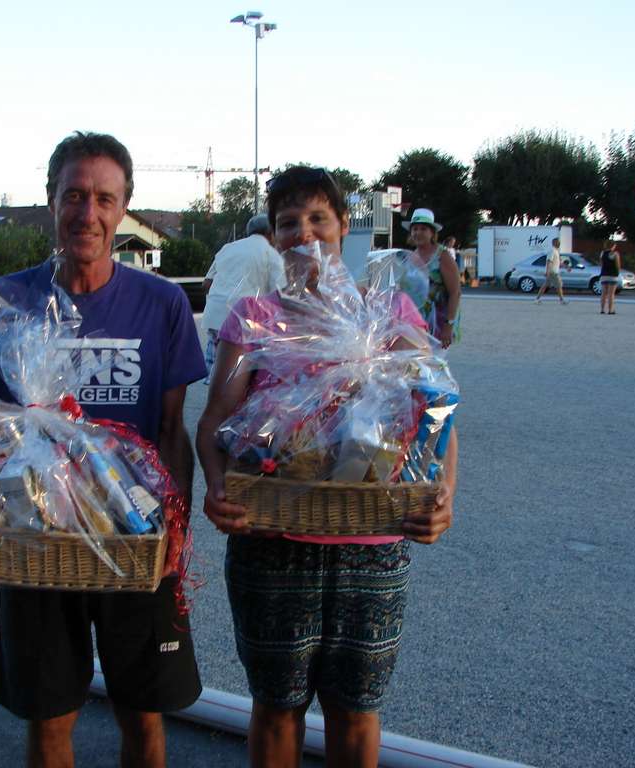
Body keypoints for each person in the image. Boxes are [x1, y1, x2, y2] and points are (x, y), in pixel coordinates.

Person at [0, 131, 205, 768]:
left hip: (133, 537)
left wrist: (175, 529)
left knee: (143, 720)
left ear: (124, 209)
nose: (86, 213)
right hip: (36, 544)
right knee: (49, 725)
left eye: (103, 198)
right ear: (50, 200)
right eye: (73, 195)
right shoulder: (5, 300)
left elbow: (173, 431)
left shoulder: (163, 303)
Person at [196, 166, 459, 768]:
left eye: (318, 218)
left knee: (357, 707)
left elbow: (438, 405)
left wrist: (444, 494)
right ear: (274, 235)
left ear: (344, 224)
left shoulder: (388, 310)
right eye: (288, 222)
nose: (304, 232)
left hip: (374, 539)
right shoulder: (254, 318)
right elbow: (215, 422)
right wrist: (216, 485)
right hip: (271, 538)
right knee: (275, 704)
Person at [201, 213, 283, 376]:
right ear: (270, 233)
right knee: (243, 379)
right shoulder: (271, 254)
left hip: (215, 319)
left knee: (216, 376)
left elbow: (207, 283)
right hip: (246, 325)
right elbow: (281, 293)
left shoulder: (227, 248)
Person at [401, 208, 462, 347]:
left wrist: (449, 325)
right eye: (415, 229)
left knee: (433, 364)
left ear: (432, 233)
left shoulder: (442, 256)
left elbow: (455, 292)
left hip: (437, 322)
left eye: (423, 229)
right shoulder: (410, 257)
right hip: (414, 321)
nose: (418, 233)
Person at [534, 237, 568, 305]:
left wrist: (566, 267)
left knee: (545, 285)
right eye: (558, 242)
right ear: (554, 243)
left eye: (559, 242)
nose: (559, 243)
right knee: (559, 285)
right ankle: (562, 300)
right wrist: (547, 271)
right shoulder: (552, 251)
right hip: (553, 272)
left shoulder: (556, 251)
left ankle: (537, 299)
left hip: (552, 272)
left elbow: (558, 263)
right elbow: (549, 261)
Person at [599, 243, 622, 315]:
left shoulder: (602, 253)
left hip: (604, 275)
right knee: (611, 294)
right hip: (612, 275)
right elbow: (618, 265)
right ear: (613, 246)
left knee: (603, 293)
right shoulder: (615, 254)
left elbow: (601, 264)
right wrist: (618, 272)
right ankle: (610, 310)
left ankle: (602, 309)